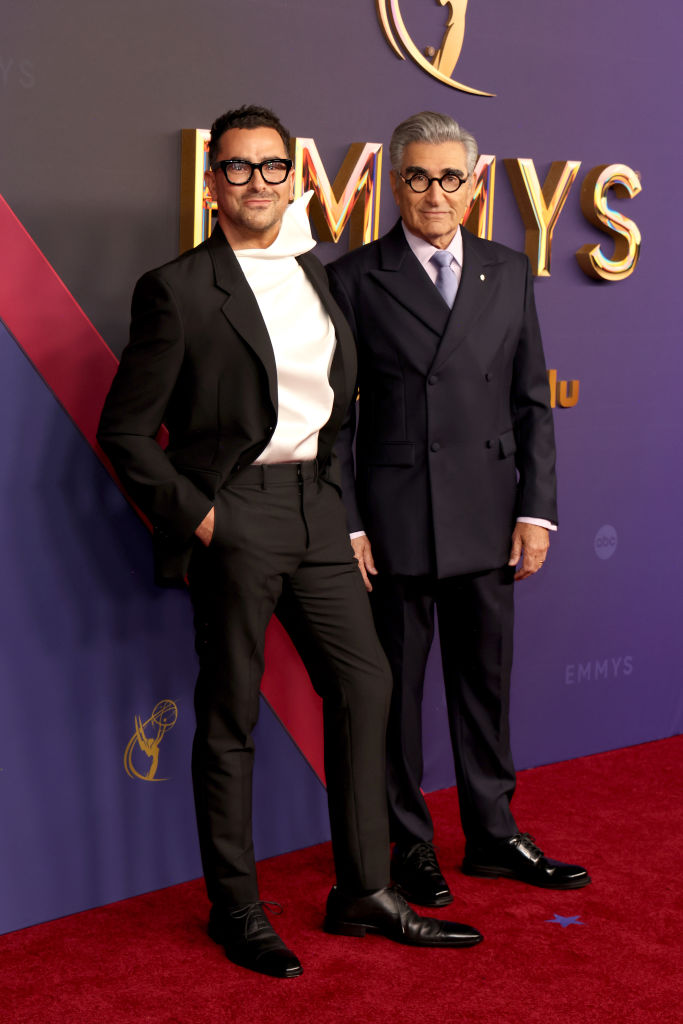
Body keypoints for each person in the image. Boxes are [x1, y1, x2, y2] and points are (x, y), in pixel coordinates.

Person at [98, 106, 482, 980]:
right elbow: (124, 430)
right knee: (230, 715)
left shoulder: (316, 272)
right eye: (237, 168)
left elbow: (335, 404)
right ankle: (235, 908)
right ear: (212, 184)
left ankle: (364, 891)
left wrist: (338, 508)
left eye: (272, 167)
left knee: (366, 684)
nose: (257, 183)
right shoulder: (177, 289)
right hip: (235, 513)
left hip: (316, 510)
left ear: (293, 177)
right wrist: (202, 516)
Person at [327, 111, 590, 909]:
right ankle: (407, 842)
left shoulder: (507, 270)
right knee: (395, 699)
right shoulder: (353, 277)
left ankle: (492, 834)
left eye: (449, 178)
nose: (434, 193)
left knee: (484, 686)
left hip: (488, 512)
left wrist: (536, 510)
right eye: (417, 176)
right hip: (394, 520)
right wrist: (349, 521)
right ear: (392, 183)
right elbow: (333, 420)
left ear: (473, 186)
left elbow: (531, 400)